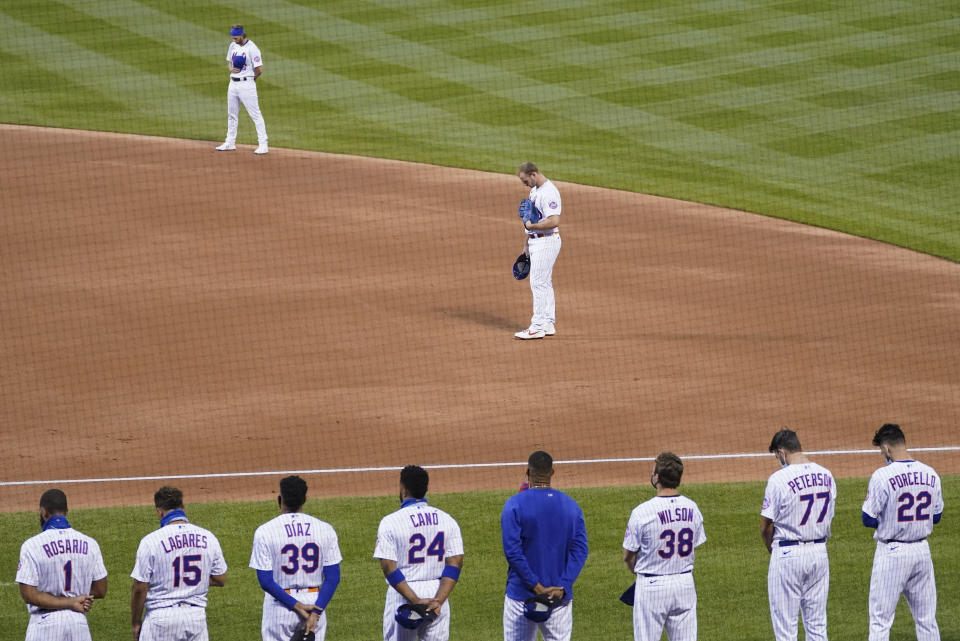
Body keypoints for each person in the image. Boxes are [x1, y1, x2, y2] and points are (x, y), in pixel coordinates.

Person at [862, 423, 943, 641]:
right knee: (926, 619)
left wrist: (891, 518)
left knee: (880, 620)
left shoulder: (882, 476)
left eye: (881, 450)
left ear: (887, 448)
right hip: (922, 552)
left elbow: (867, 519)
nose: (882, 454)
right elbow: (936, 516)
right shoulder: (931, 473)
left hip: (893, 553)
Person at [501, 450, 588, 641]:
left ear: (528, 472)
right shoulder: (571, 506)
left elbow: (513, 552)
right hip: (559, 598)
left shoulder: (514, 504)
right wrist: (563, 586)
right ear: (552, 473)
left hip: (521, 596)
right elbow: (580, 550)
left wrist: (536, 587)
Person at [760, 429, 836, 641]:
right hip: (819, 553)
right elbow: (829, 515)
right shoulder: (826, 475)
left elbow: (766, 526)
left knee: (785, 628)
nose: (778, 460)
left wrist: (772, 550)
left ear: (782, 452)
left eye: (777, 456)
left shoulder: (778, 479)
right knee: (817, 624)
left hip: (788, 554)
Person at [374, 465, 464, 641]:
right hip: (437, 592)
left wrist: (414, 600)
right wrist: (439, 600)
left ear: (403, 489)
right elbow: (456, 562)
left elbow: (388, 566)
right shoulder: (447, 519)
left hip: (403, 593)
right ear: (426, 489)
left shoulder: (390, 522)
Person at [622, 452, 706, 641]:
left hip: (652, 586)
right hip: (684, 583)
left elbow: (628, 555)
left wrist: (639, 573)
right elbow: (694, 544)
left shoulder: (642, 512)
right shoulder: (693, 508)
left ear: (657, 478)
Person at [250, 475, 343, 641]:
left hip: (279, 606)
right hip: (315, 604)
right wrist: (316, 612)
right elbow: (333, 578)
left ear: (280, 500)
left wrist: (296, 606)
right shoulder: (324, 529)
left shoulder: (265, 531)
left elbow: (265, 581)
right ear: (304, 499)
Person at [130, 486, 227, 641]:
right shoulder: (208, 537)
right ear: (183, 508)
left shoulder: (150, 541)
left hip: (161, 620)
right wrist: (185, 582)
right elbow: (220, 579)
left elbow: (140, 587)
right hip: (195, 620)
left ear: (159, 512)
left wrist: (135, 623)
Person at [16, 489, 108, 641]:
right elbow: (101, 589)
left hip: (44, 625)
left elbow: (28, 594)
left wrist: (68, 601)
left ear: (43, 512)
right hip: (78, 625)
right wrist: (77, 598)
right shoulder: (90, 544)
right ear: (66, 511)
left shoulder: (32, 545)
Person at [514, 162, 562, 340]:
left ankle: (537, 326)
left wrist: (532, 226)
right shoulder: (534, 191)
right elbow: (530, 217)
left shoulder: (549, 192)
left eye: (525, 180)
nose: (524, 184)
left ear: (533, 174)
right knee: (544, 282)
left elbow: (554, 220)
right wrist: (527, 242)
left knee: (538, 282)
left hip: (547, 241)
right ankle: (548, 323)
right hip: (536, 241)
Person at [216, 24, 269, 154]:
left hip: (247, 85)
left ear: (242, 35)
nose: (233, 40)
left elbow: (259, 69)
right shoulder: (232, 45)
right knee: (232, 114)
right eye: (232, 38)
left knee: (255, 114)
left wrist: (251, 79)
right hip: (232, 84)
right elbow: (230, 61)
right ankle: (230, 142)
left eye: (236, 38)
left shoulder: (252, 48)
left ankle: (263, 144)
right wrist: (231, 69)